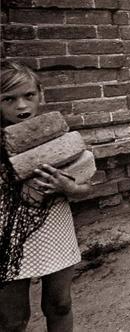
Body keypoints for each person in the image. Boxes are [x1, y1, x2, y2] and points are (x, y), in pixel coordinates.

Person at [1, 62, 91, 332]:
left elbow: (86, 186)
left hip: (55, 226)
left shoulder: (59, 136)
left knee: (60, 304)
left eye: (28, 95)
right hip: (7, 234)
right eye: (8, 99)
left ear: (42, 94)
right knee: (12, 320)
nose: (21, 105)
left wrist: (69, 187)